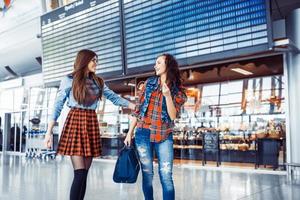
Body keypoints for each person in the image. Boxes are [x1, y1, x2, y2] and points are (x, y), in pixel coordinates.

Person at [44, 49, 135, 200]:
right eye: (93, 60)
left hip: (91, 123)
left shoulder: (98, 81)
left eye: (96, 61)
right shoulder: (69, 79)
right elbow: (57, 105)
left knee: (84, 174)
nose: (96, 64)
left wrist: (132, 105)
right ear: (84, 61)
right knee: (79, 173)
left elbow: (113, 97)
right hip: (75, 122)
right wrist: (49, 132)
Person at [124, 53, 187, 200]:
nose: (155, 66)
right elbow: (137, 110)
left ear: (168, 65)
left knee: (166, 175)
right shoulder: (148, 84)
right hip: (143, 134)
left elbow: (172, 116)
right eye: (155, 63)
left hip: (164, 135)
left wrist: (167, 96)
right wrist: (129, 133)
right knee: (147, 174)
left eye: (159, 63)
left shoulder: (178, 91)